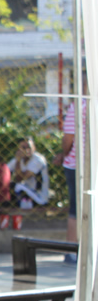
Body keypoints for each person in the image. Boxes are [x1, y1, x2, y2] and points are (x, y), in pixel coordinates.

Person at [55, 99, 85, 264]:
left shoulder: (79, 105)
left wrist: (64, 154)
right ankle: (71, 250)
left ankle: (71, 250)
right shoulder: (82, 105)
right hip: (80, 164)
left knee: (76, 208)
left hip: (76, 163)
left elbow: (68, 138)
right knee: (77, 207)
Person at [7, 137, 48, 207]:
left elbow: (21, 178)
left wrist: (18, 161)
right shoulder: (19, 159)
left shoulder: (38, 160)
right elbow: (5, 171)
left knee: (17, 186)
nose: (27, 150)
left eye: (29, 147)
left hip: (39, 197)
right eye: (23, 147)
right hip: (26, 192)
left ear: (34, 148)